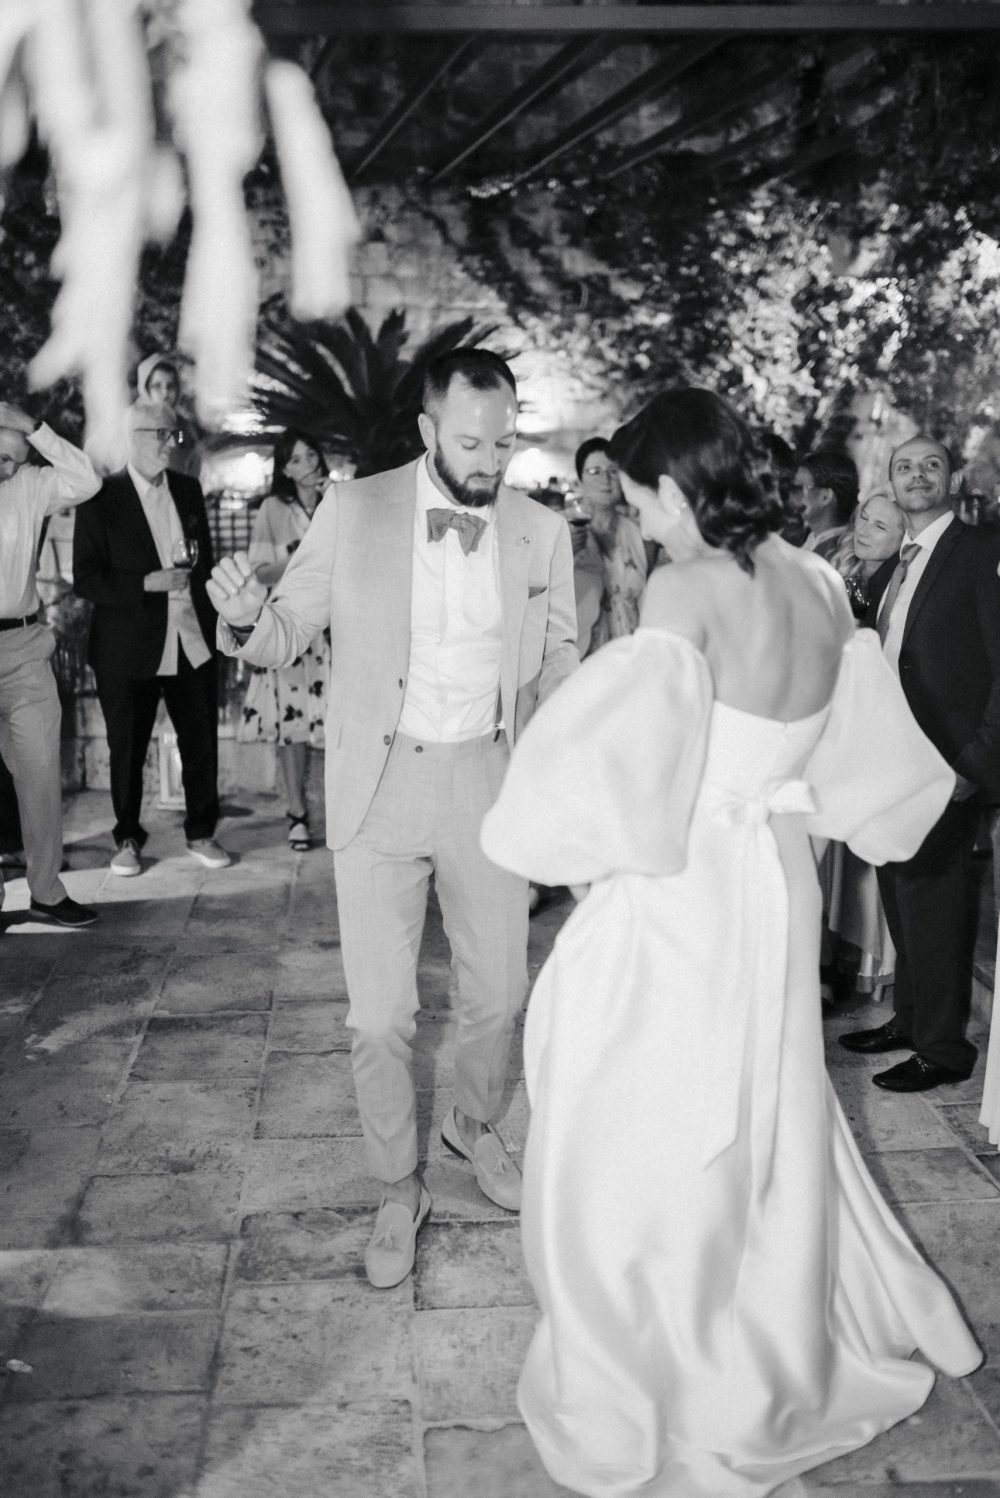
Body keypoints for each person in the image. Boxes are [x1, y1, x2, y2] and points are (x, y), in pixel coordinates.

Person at [479, 388, 980, 1498]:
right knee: (764, 1090)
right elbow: (848, 741)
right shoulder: (810, 576)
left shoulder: (684, 586)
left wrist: (560, 836)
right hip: (780, 876)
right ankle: (770, 1320)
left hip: (691, 879)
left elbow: (635, 758)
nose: (641, 516)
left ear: (675, 485)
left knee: (626, 1099)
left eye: (646, 495)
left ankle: (669, 1343)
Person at [207, 349, 578, 1289]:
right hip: (380, 788)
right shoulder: (356, 508)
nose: (490, 461)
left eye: (503, 441)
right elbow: (286, 630)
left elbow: (561, 660)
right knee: (379, 1019)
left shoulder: (541, 530)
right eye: (470, 442)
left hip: (488, 786)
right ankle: (395, 1187)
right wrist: (249, 619)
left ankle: (474, 1120)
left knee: (499, 997)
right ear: (426, 432)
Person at [840, 435, 1000, 1090]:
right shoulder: (888, 569)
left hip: (949, 765)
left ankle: (943, 1048)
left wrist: (978, 760)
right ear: (890, 480)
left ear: (953, 477)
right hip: (893, 764)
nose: (916, 475)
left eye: (930, 465)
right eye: (904, 466)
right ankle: (908, 1019)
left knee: (937, 906)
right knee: (900, 897)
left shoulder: (977, 555)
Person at [73, 400, 230, 876]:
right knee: (127, 746)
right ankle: (126, 838)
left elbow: (202, 564)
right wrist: (146, 583)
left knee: (200, 740)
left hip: (191, 640)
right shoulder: (101, 496)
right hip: (128, 647)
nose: (170, 443)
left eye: (173, 434)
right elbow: (85, 578)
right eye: (161, 434)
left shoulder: (188, 489)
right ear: (133, 437)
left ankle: (202, 831)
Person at [0, 402, 100, 927]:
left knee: (39, 770)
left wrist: (34, 428)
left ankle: (46, 891)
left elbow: (86, 480)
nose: (6, 468)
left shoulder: (31, 486)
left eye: (14, 460)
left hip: (21, 647)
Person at [821, 490, 907, 998]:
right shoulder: (849, 570)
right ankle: (842, 954)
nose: (864, 530)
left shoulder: (894, 582)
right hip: (843, 718)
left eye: (879, 526)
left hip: (876, 723)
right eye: (863, 519)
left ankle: (872, 965)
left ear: (901, 539)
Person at [238, 430, 332, 850]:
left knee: (340, 723)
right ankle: (297, 815)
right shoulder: (272, 509)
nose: (308, 463)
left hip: (338, 630)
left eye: (312, 453)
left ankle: (344, 813)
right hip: (293, 627)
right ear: (285, 468)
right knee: (292, 727)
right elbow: (257, 573)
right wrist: (297, 558)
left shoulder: (340, 499)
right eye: (297, 458)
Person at [575, 437, 647, 638]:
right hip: (584, 656)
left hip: (632, 652)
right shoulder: (564, 531)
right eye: (595, 471)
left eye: (613, 471)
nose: (606, 479)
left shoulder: (640, 532)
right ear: (580, 480)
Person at [790, 446, 859, 560]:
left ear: (825, 497)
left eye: (798, 488)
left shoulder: (837, 555)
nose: (792, 495)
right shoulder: (811, 537)